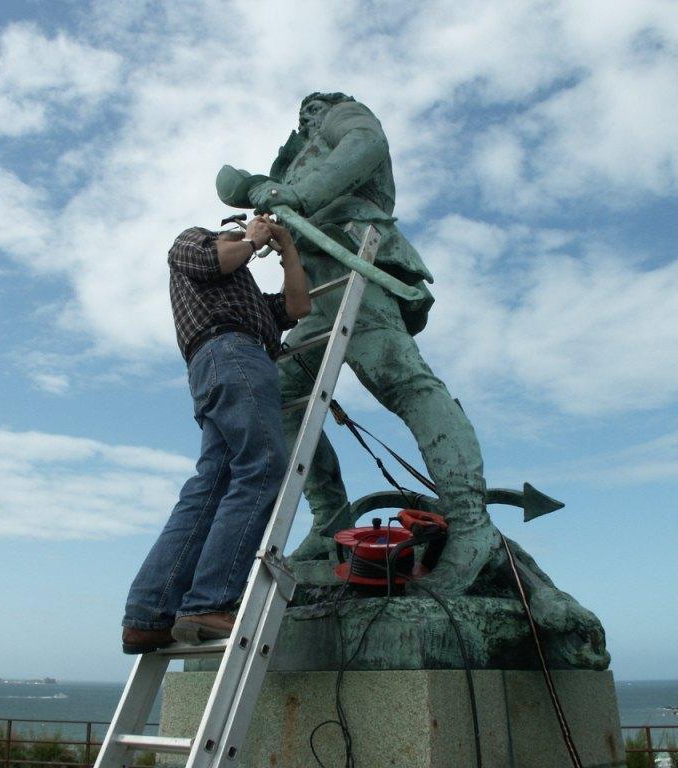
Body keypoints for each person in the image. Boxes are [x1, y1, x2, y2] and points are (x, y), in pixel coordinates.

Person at [220, 92, 496, 595]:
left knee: (405, 383)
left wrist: (296, 195)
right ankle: (330, 521)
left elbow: (365, 143)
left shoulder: (343, 115)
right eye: (302, 113)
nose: (306, 116)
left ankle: (470, 523)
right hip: (317, 293)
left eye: (312, 109)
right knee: (277, 395)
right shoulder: (298, 155)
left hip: (353, 268)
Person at [121, 215, 310, 652]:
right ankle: (209, 601)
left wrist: (288, 249)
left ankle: (148, 615)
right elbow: (216, 260)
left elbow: (298, 307)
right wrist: (253, 239)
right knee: (263, 467)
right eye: (234, 231)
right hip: (232, 354)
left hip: (227, 365)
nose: (242, 234)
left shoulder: (245, 295)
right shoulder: (191, 242)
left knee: (210, 487)